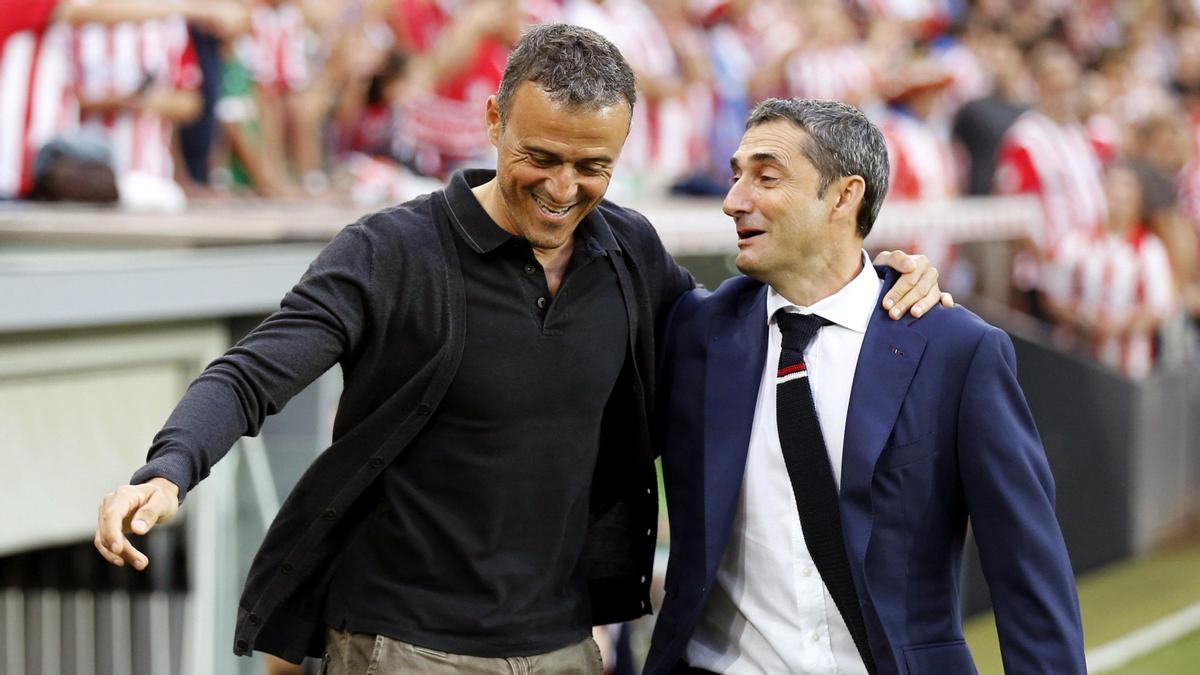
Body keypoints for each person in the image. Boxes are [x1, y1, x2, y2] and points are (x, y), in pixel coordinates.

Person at [93, 25, 945, 672]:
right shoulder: (391, 252)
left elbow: (739, 331)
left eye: (593, 166)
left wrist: (875, 282)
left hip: (564, 646)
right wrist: (169, 466)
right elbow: (253, 371)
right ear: (494, 120)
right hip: (401, 647)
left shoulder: (629, 252)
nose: (563, 188)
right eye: (540, 157)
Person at [645, 98, 1085, 674]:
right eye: (736, 176)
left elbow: (1027, 572)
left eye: (766, 178)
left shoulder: (954, 350)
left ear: (843, 196)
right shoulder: (695, 333)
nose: (734, 201)